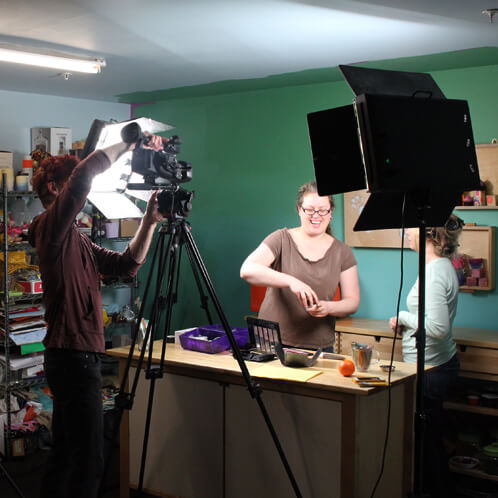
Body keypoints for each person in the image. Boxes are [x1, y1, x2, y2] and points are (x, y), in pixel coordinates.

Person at [28, 134, 166, 498]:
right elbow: (85, 174)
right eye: (75, 187)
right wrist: (130, 143)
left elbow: (126, 266)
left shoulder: (76, 238)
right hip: (73, 356)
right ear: (55, 188)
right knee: (89, 461)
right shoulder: (50, 227)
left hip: (73, 356)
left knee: (64, 454)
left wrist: (149, 221)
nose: (85, 196)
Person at [389, 214, 464, 498]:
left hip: (432, 371)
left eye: (410, 227)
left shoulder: (434, 272)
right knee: (430, 441)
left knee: (427, 445)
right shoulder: (439, 266)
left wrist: (403, 317)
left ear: (427, 234)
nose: (407, 233)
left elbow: (439, 328)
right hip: (435, 366)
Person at [240, 181, 360, 350]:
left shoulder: (343, 252)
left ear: (331, 212)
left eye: (323, 210)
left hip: (319, 345)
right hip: (271, 341)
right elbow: (247, 270)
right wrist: (291, 281)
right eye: (309, 209)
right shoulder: (280, 239)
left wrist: (327, 307)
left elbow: (352, 302)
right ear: (299, 209)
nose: (316, 215)